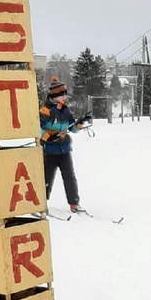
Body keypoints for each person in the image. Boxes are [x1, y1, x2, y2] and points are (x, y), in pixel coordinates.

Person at [39, 77, 92, 212]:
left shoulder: (66, 110)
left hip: (64, 150)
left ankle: (74, 203)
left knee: (69, 177)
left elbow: (72, 128)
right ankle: (41, 205)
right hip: (49, 151)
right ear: (54, 96)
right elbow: (39, 128)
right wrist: (47, 138)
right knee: (47, 178)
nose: (64, 97)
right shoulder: (45, 110)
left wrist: (81, 122)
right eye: (61, 95)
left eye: (65, 94)